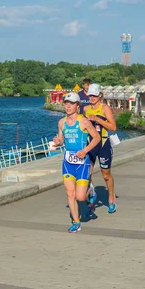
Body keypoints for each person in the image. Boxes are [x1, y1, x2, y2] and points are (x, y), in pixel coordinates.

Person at [52, 92, 100, 233]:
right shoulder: (61, 122)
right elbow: (61, 140)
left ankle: (90, 192)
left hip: (82, 163)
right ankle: (76, 222)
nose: (68, 106)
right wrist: (58, 142)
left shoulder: (84, 121)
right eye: (66, 103)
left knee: (80, 197)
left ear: (77, 105)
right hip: (68, 163)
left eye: (71, 103)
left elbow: (96, 138)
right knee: (70, 194)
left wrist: (85, 150)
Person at [85, 83, 119, 214]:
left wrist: (97, 119)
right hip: (91, 144)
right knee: (86, 175)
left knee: (106, 175)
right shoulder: (86, 109)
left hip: (103, 144)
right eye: (90, 95)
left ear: (100, 95)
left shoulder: (105, 108)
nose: (92, 98)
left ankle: (111, 196)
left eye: (94, 95)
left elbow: (113, 127)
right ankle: (91, 198)